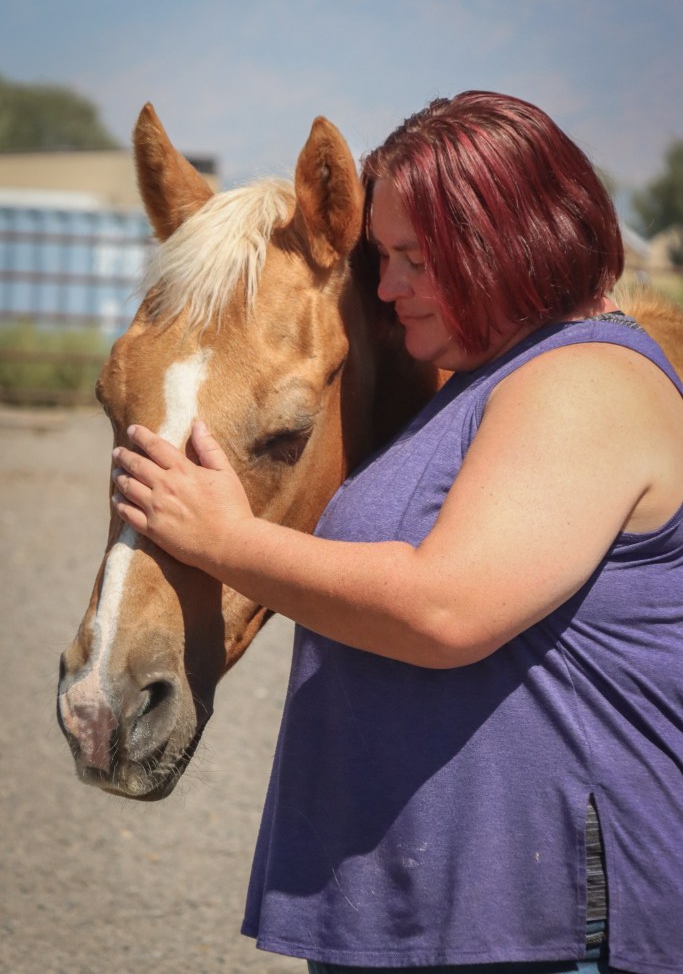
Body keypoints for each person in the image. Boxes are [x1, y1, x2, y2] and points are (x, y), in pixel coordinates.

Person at [111, 92, 683, 974]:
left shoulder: (584, 380)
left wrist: (224, 539)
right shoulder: (472, 384)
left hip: (540, 923)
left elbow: (445, 611)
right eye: (384, 257)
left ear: (513, 240)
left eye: (414, 258)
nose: (383, 287)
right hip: (440, 919)